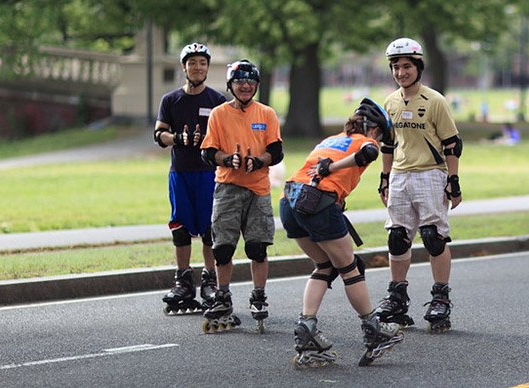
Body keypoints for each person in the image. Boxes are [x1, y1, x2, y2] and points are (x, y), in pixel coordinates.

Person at [281, 98, 404, 368]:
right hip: (317, 201)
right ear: (374, 128)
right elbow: (368, 154)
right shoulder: (366, 141)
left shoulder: (331, 139)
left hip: (289, 201)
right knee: (350, 268)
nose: (380, 139)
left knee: (325, 266)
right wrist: (333, 169)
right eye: (381, 134)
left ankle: (307, 328)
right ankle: (374, 330)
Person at [375, 37, 463, 334]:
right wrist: (385, 179)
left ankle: (440, 297)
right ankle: (397, 297)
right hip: (400, 176)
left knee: (433, 237)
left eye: (407, 66)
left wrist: (453, 181)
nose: (401, 72)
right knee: (397, 238)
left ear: (418, 67)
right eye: (396, 67)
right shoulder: (390, 102)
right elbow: (388, 145)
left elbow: (452, 144)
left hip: (430, 174)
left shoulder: (435, 101)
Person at [198, 59, 284, 334]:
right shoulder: (219, 114)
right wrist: (229, 159)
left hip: (258, 189)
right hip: (228, 187)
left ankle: (258, 295)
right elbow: (208, 152)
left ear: (256, 85)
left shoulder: (266, 114)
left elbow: (276, 151)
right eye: (239, 81)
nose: (245, 86)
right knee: (222, 247)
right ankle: (223, 295)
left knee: (257, 247)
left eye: (250, 82)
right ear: (230, 85)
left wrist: (259, 161)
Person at [154, 43, 227, 315]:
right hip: (180, 173)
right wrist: (178, 138)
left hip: (208, 173)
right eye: (192, 62)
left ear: (207, 67)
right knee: (180, 227)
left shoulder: (217, 101)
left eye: (202, 63)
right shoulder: (170, 100)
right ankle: (183, 281)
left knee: (209, 228)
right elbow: (159, 134)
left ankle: (210, 280)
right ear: (184, 67)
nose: (198, 67)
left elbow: (225, 138)